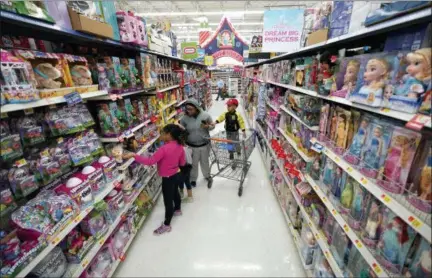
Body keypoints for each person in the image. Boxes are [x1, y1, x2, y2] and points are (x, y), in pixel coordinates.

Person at [123, 124, 185, 235]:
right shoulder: (180, 146)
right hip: (176, 174)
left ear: (169, 135)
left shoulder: (163, 149)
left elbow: (150, 162)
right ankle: (178, 209)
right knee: (175, 193)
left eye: (163, 133)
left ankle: (166, 225)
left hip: (167, 178)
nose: (160, 135)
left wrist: (134, 155)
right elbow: (182, 163)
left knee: (167, 201)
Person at [179, 99, 214, 188]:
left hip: (204, 144)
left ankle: (207, 176)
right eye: (187, 109)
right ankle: (193, 179)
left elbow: (212, 126)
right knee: (193, 164)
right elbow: (181, 129)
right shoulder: (184, 118)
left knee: (205, 162)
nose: (188, 111)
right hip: (191, 145)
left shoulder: (205, 115)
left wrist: (208, 126)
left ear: (197, 108)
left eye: (191, 109)